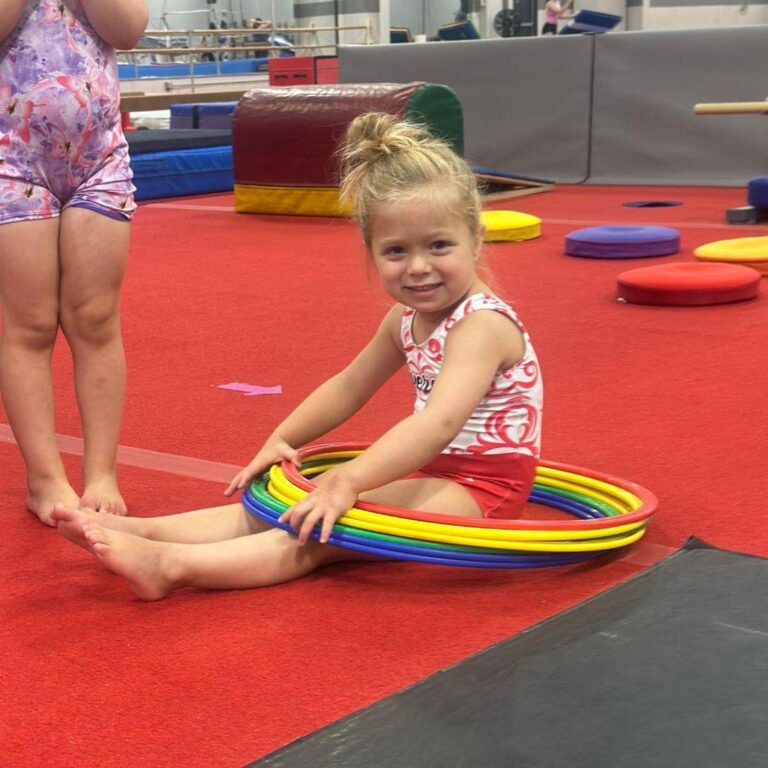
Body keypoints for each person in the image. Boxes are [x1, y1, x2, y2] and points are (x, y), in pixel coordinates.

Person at [52, 112, 543, 600]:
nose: (418, 267)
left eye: (439, 246)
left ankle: (171, 566)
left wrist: (348, 479)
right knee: (281, 506)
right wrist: (283, 438)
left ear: (477, 239)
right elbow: (349, 385)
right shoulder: (405, 318)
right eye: (396, 251)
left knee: (321, 529)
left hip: (486, 490)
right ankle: (147, 532)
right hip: (439, 472)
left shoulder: (481, 325)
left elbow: (438, 423)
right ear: (371, 251)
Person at [0, 0, 148, 524]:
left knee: (96, 317)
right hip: (11, 157)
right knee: (30, 324)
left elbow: (128, 30)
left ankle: (102, 473)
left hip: (98, 157)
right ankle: (44, 479)